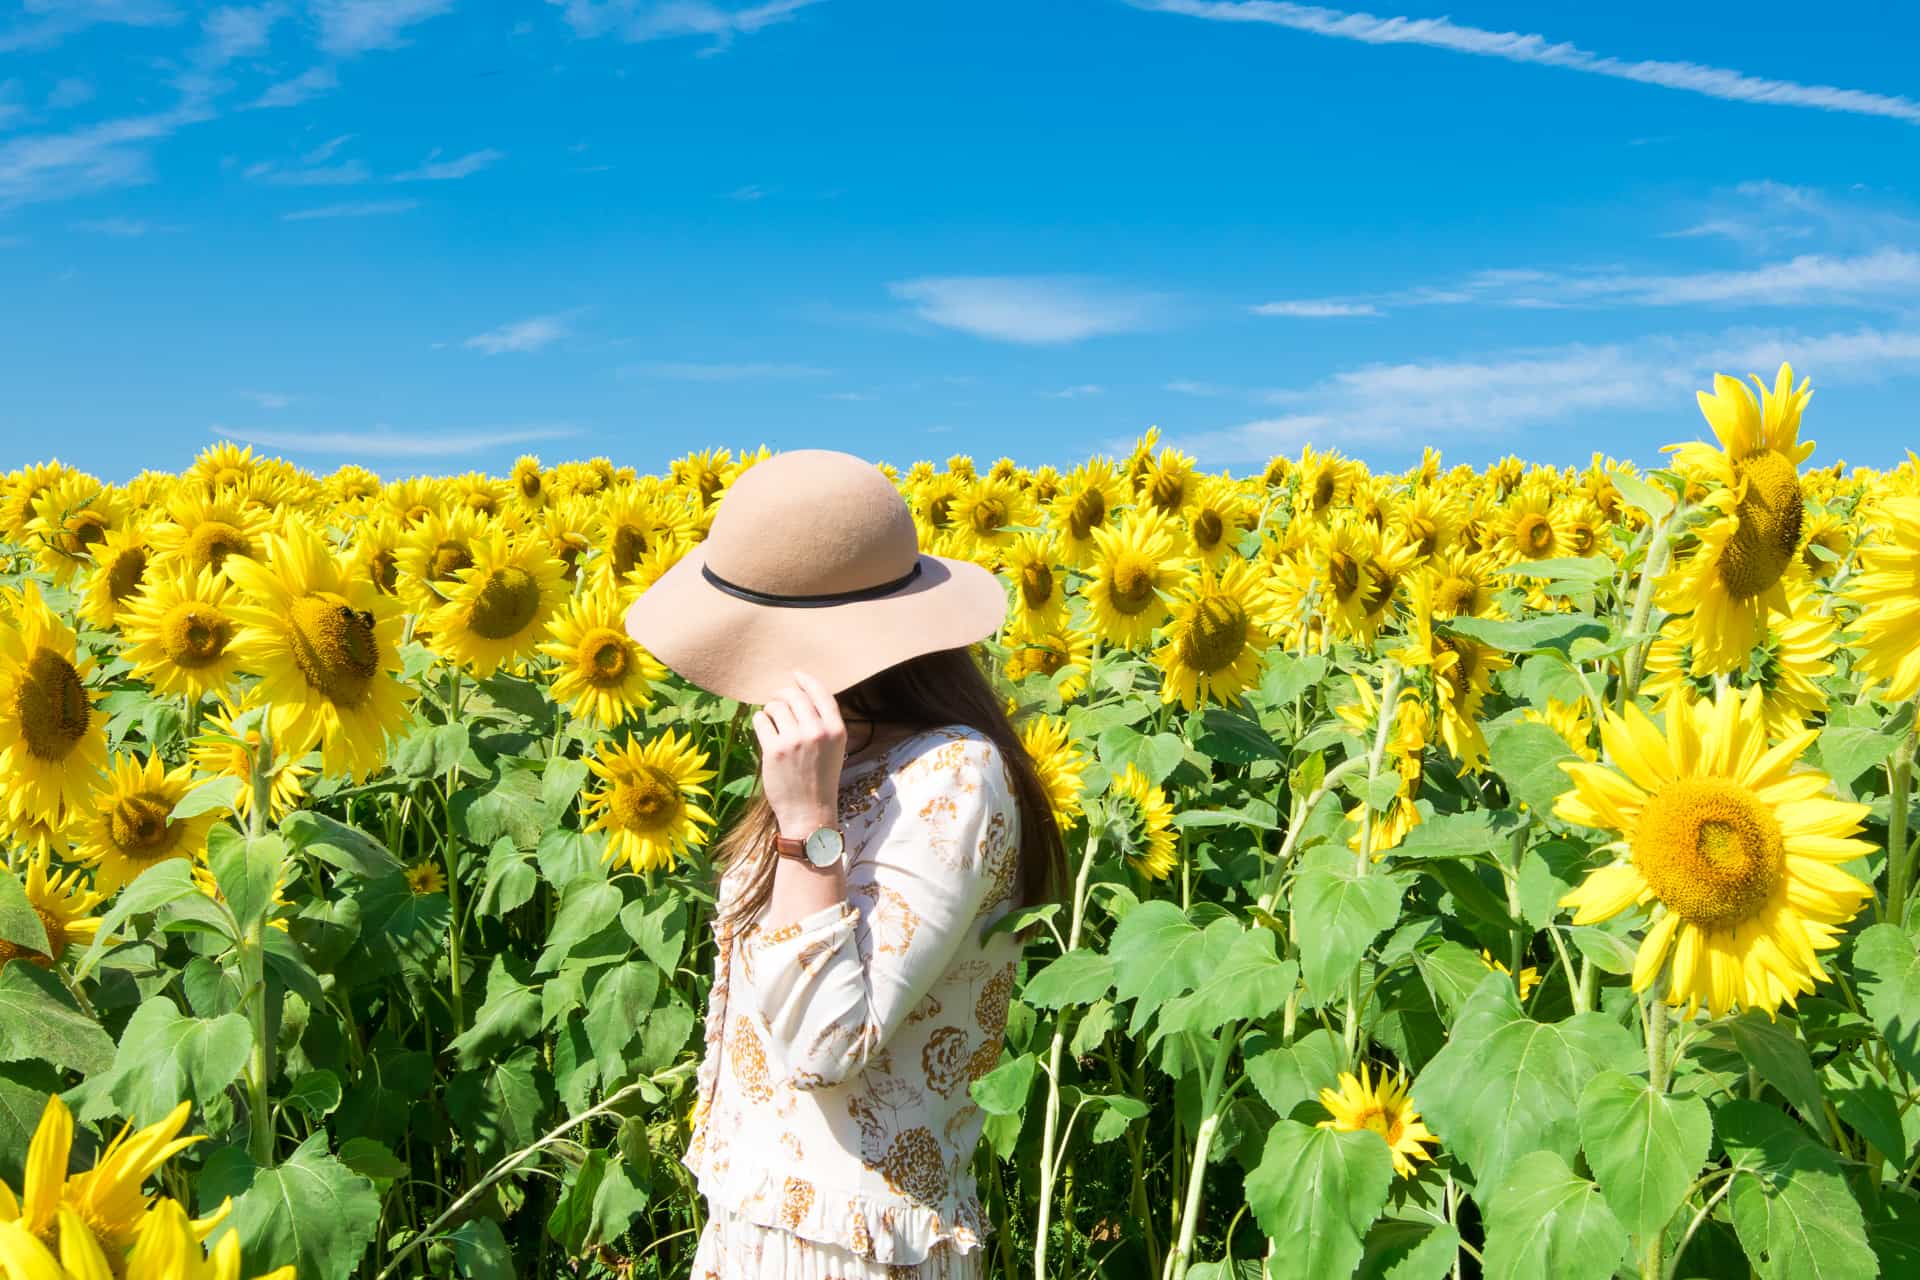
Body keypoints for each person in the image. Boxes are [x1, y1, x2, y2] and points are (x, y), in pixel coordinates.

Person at [623, 448, 1069, 1279]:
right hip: (761, 1230)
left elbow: (825, 1044)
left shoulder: (952, 776)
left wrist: (805, 824)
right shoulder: (843, 756)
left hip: (853, 1251)